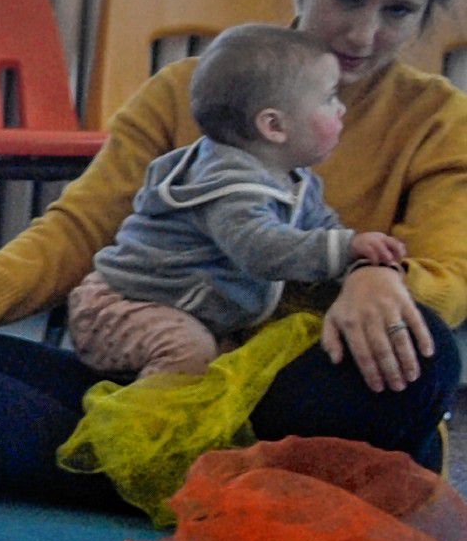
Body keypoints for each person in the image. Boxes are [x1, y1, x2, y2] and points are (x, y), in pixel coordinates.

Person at [0, 0, 467, 503]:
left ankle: (130, 474)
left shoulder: (438, 119)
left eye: (397, 11)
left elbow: (448, 273)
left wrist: (377, 277)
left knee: (422, 360)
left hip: (294, 387)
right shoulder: (191, 88)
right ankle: (211, 478)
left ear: (428, 13)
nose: (361, 33)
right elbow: (80, 229)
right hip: (162, 378)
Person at [65, 25, 403, 381]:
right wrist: (347, 248)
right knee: (189, 352)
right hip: (121, 306)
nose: (342, 109)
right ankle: (151, 432)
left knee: (237, 359)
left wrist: (363, 266)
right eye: (328, 98)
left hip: (184, 309)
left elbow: (326, 229)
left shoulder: (295, 179)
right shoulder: (228, 184)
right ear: (274, 126)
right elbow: (260, 249)